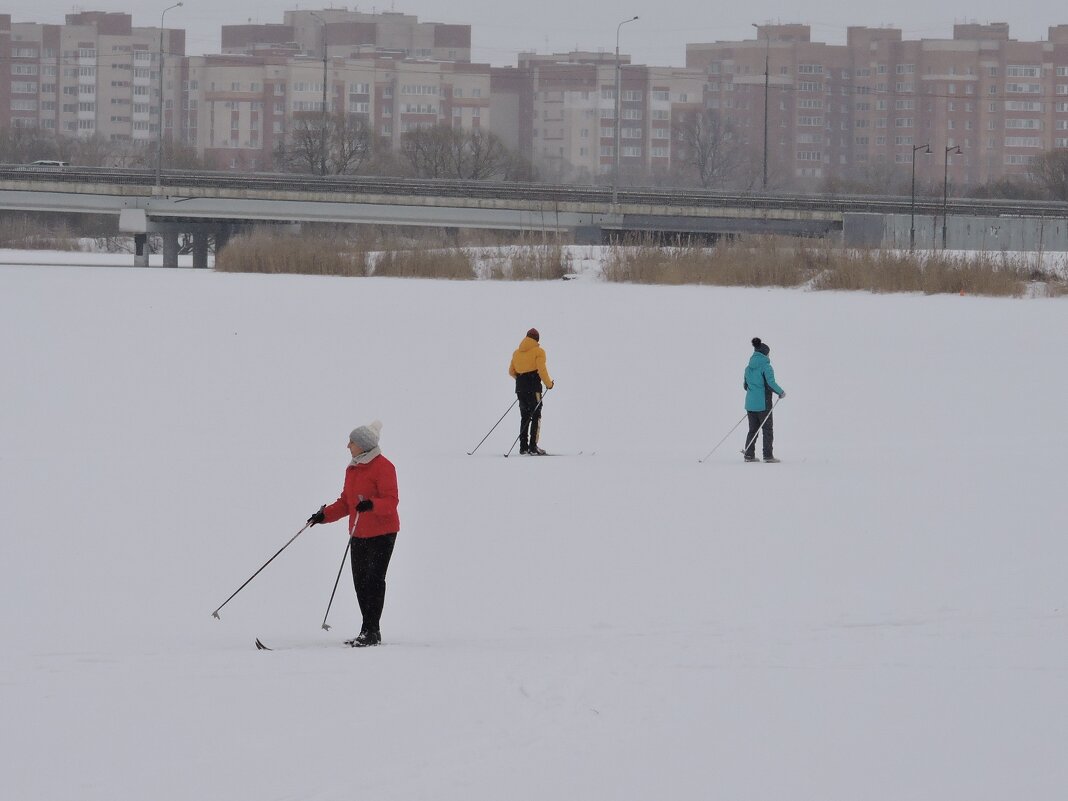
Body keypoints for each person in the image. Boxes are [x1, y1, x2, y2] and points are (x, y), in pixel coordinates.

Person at [307, 420, 400, 646]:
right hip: (358, 533)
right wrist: (324, 516)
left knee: (374, 581)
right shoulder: (353, 468)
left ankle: (371, 631)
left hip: (382, 533)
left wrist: (371, 505)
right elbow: (346, 503)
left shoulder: (384, 466)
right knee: (360, 582)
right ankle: (367, 631)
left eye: (352, 442)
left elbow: (391, 501)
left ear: (363, 445)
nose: (348, 446)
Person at [508, 327, 554, 455]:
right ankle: (533, 446)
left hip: (520, 389)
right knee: (536, 415)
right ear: (537, 339)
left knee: (524, 416)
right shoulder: (539, 351)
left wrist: (522, 381)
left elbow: (511, 371)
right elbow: (541, 370)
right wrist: (549, 384)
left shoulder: (516, 353)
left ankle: (523, 447)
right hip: (534, 389)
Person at [743, 337, 786, 463]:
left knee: (752, 430)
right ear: (765, 353)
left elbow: (745, 386)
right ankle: (768, 456)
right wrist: (781, 392)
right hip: (763, 404)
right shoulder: (766, 366)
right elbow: (770, 383)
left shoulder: (748, 368)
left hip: (750, 404)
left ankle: (749, 455)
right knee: (767, 429)